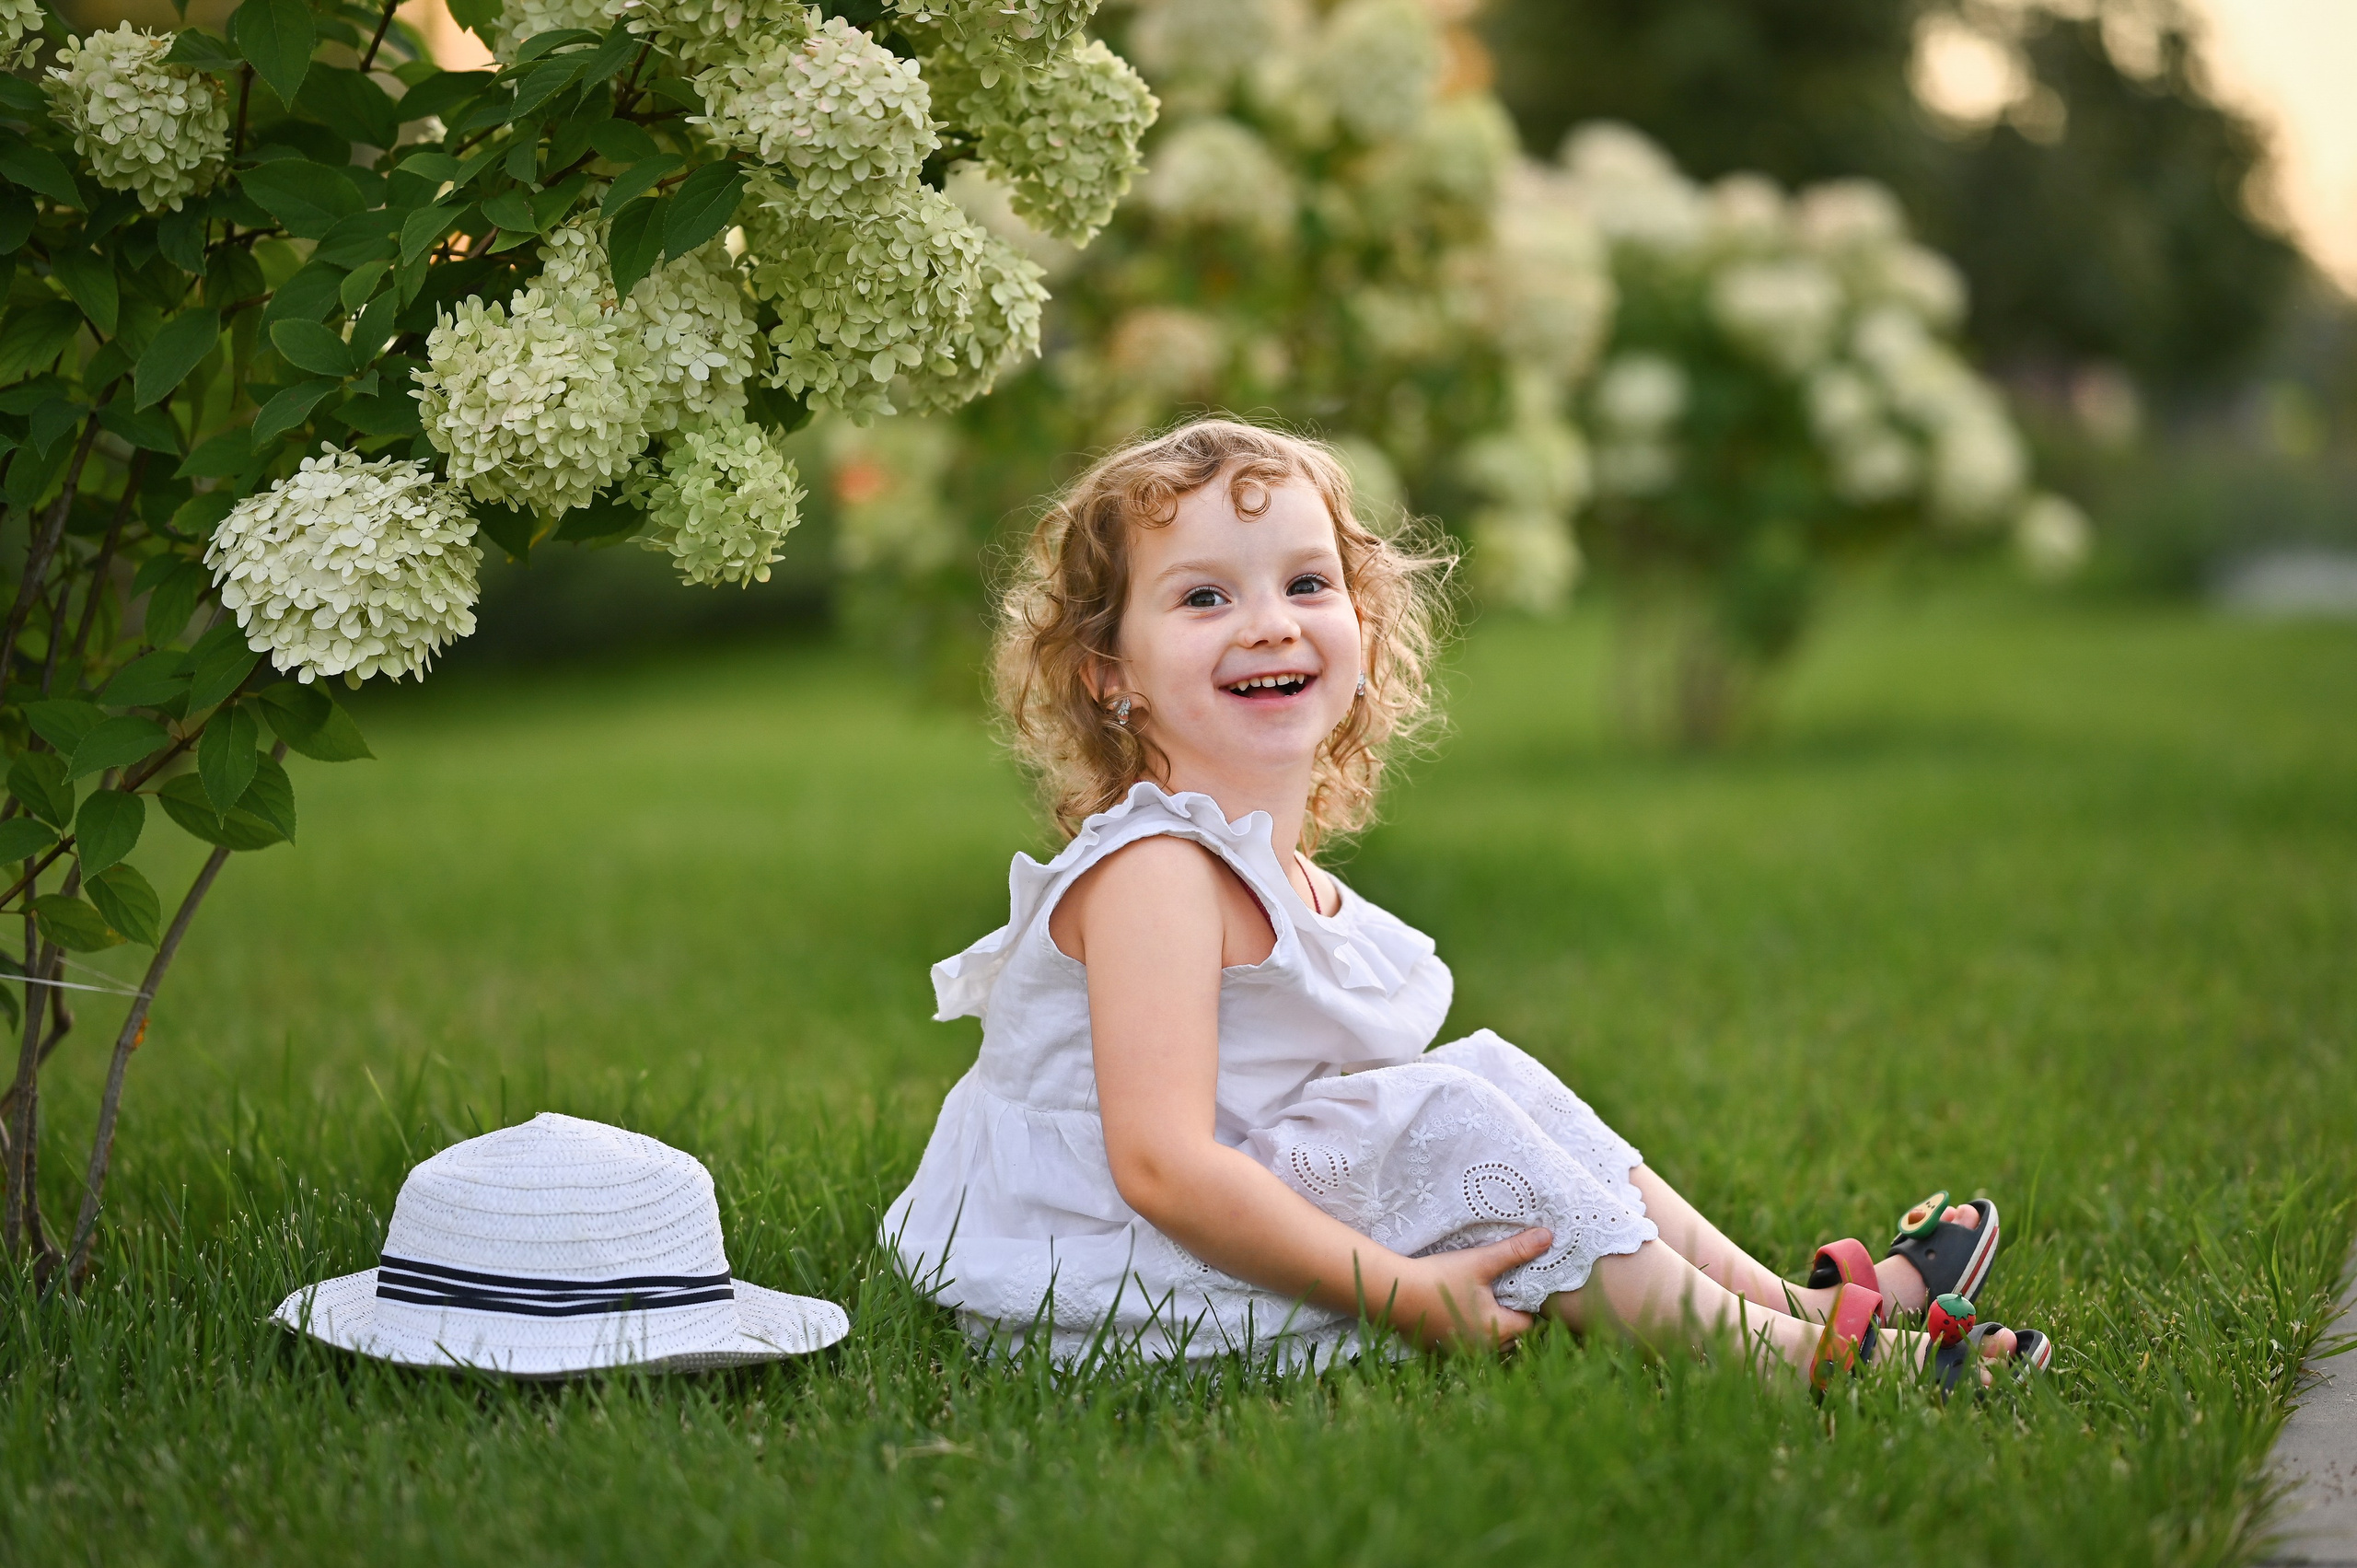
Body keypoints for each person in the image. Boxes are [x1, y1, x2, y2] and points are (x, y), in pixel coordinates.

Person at [883, 418, 2052, 1390]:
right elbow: (1161, 1167)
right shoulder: (1154, 874)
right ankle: (1785, 1358)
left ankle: (1790, 1299)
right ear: (1110, 672)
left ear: (1361, 620)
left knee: (1487, 1071)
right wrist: (1398, 1288)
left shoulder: (1254, 861)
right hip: (1102, 1276)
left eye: (1306, 582)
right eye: (1203, 597)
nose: (1272, 621)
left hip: (1190, 1224)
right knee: (1447, 1114)